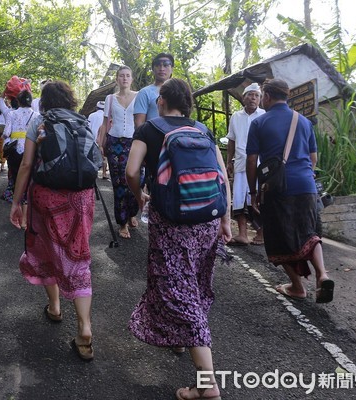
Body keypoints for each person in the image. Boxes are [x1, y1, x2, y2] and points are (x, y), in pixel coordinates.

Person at [126, 78, 231, 400]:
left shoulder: (149, 131)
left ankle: (207, 383)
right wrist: (225, 220)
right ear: (187, 103)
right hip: (207, 222)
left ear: (161, 101)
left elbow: (131, 171)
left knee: (178, 291)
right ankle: (184, 337)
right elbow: (222, 176)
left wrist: (140, 196)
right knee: (194, 286)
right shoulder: (203, 130)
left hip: (171, 222)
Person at [9, 81, 95, 361]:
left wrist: (16, 201)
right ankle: (84, 327)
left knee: (44, 249)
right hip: (81, 198)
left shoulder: (40, 121)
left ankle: (55, 307)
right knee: (78, 256)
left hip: (47, 197)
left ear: (44, 101)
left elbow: (26, 164)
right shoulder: (82, 121)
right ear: (70, 99)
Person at [246, 78, 335, 304]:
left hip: (277, 188)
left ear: (266, 96)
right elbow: (313, 159)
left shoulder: (259, 123)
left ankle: (297, 286)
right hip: (306, 186)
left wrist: (253, 192)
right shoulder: (304, 122)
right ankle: (322, 274)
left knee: (277, 237)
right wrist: (302, 174)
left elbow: (251, 161)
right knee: (309, 232)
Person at [97, 65, 140, 239]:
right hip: (115, 143)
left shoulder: (139, 96)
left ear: (131, 79)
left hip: (134, 142)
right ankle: (122, 222)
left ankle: (132, 213)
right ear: (117, 79)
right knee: (118, 183)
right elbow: (105, 122)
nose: (124, 78)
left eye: (127, 76)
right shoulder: (109, 98)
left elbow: (141, 121)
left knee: (135, 180)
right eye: (121, 76)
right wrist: (101, 143)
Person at [226, 82, 266, 246]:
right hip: (241, 163)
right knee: (239, 199)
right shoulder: (236, 116)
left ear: (260, 99)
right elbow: (231, 140)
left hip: (259, 164)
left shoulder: (264, 115)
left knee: (258, 198)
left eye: (256, 95)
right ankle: (242, 234)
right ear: (244, 97)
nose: (253, 98)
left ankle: (261, 233)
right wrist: (229, 161)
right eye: (250, 95)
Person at [1, 90, 37, 229]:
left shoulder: (11, 114)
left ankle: (20, 217)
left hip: (15, 152)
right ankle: (26, 221)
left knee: (18, 183)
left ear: (19, 101)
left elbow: (6, 133)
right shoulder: (37, 115)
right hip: (31, 150)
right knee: (29, 183)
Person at [133, 53, 174, 128]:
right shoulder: (145, 92)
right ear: (153, 69)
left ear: (172, 69)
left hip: (175, 137)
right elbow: (139, 122)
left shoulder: (179, 92)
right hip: (152, 137)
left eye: (165, 65)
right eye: (158, 65)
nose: (161, 68)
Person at [88, 101, 109, 180]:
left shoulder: (91, 115)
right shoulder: (106, 116)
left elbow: (88, 127)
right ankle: (104, 173)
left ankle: (95, 173)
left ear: (96, 108)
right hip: (102, 138)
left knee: (93, 156)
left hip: (92, 138)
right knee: (104, 156)